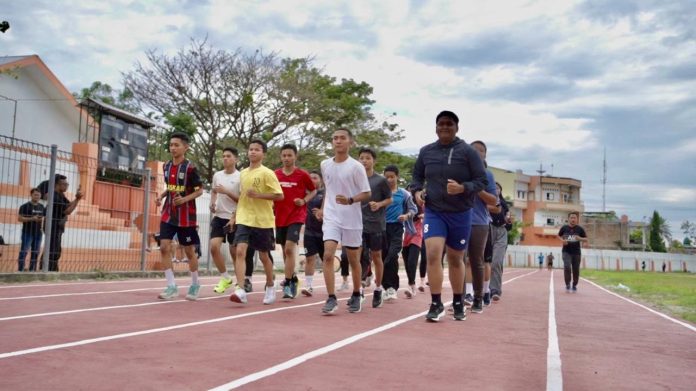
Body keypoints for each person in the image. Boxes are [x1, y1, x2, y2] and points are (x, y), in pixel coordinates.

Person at [411, 110, 488, 322]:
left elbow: (481, 181)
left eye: (449, 124)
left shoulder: (467, 152)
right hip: (435, 211)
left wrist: (463, 188)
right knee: (433, 254)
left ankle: (457, 300)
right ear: (436, 128)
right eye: (441, 124)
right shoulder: (426, 152)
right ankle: (436, 303)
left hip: (461, 213)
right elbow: (416, 176)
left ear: (457, 128)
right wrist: (417, 191)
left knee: (455, 259)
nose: (445, 127)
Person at [317, 128, 371, 315]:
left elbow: (367, 193)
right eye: (335, 138)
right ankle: (331, 298)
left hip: (352, 218)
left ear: (350, 142)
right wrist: (324, 209)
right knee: (328, 255)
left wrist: (350, 200)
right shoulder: (325, 164)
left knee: (354, 259)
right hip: (332, 217)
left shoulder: (356, 166)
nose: (338, 141)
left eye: (342, 138)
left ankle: (357, 293)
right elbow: (328, 190)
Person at [229, 139, 284, 305]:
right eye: (251, 149)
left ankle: (270, 285)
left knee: (264, 256)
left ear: (263, 154)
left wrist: (258, 195)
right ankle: (240, 289)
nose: (253, 152)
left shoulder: (267, 173)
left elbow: (279, 196)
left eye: (257, 150)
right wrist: (234, 216)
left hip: (263, 220)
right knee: (240, 251)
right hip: (244, 218)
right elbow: (242, 198)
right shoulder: (243, 173)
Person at [155, 132, 204, 300]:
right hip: (168, 214)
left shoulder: (191, 168)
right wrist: (161, 196)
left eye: (176, 145)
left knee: (189, 251)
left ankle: (195, 284)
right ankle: (171, 286)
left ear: (185, 147)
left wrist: (184, 199)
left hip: (186, 216)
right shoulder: (166, 166)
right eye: (171, 145)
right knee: (163, 247)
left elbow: (199, 191)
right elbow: (170, 186)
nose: (173, 148)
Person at [274, 144, 317, 299]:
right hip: (279, 217)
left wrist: (304, 200)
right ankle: (292, 277)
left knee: (290, 249)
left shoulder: (302, 174)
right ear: (281, 157)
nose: (286, 158)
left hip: (296, 216)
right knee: (286, 251)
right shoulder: (275, 174)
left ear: (295, 156)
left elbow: (313, 190)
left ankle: (288, 283)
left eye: (289, 155)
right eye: (284, 155)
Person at [464, 140, 499, 311]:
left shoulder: (487, 175)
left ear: (484, 155)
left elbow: (494, 200)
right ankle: (465, 295)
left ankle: (479, 296)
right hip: (458, 220)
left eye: (481, 150)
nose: (477, 152)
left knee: (476, 260)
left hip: (479, 222)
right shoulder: (459, 172)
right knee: (460, 260)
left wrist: (478, 189)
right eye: (473, 150)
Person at [358, 147, 393, 307]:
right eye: (362, 158)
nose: (364, 161)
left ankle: (378, 289)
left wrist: (378, 204)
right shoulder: (355, 179)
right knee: (358, 257)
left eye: (368, 158)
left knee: (377, 257)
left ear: (373, 161)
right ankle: (359, 290)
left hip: (376, 225)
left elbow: (389, 199)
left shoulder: (380, 180)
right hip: (358, 224)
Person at [210, 147, 241, 294]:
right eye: (223, 156)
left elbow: (242, 200)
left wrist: (227, 192)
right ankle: (225, 277)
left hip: (234, 218)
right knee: (214, 247)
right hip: (219, 217)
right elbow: (214, 190)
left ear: (236, 159)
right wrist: (212, 202)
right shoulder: (217, 175)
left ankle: (239, 282)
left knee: (234, 252)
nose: (225, 159)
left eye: (228, 156)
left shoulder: (241, 177)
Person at [383, 165, 417, 299]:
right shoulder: (382, 192)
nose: (389, 180)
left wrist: (406, 216)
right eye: (387, 177)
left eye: (392, 177)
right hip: (382, 228)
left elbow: (413, 209)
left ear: (397, 176)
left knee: (392, 256)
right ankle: (387, 287)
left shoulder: (404, 194)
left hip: (397, 228)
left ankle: (392, 287)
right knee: (384, 257)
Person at [44, 174, 83, 271]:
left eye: (67, 184)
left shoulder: (61, 195)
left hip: (57, 226)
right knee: (53, 249)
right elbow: (67, 211)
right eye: (65, 184)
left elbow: (68, 204)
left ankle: (48, 268)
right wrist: (77, 199)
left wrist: (76, 197)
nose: (66, 186)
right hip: (53, 225)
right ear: (58, 184)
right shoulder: (54, 196)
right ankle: (48, 269)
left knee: (54, 249)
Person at [301, 170, 324, 297]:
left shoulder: (325, 194)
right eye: (310, 178)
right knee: (309, 258)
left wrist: (322, 213)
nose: (312, 180)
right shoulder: (305, 194)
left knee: (326, 259)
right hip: (309, 231)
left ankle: (329, 285)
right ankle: (309, 286)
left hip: (324, 232)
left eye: (315, 178)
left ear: (321, 180)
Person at [488, 182, 510, 302]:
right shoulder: (486, 201)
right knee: (486, 261)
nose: (496, 190)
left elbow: (509, 225)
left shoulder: (504, 205)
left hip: (501, 232)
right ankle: (483, 288)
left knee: (497, 261)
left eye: (498, 189)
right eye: (494, 188)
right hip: (488, 229)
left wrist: (509, 221)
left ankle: (495, 290)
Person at [558, 211, 588, 292]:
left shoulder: (580, 229)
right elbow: (558, 236)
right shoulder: (564, 228)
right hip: (566, 251)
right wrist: (562, 241)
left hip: (576, 252)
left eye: (574, 218)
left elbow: (586, 239)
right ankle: (567, 284)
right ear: (568, 219)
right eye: (571, 218)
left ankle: (574, 284)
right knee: (567, 266)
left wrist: (580, 238)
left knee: (576, 269)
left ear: (577, 219)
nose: (573, 219)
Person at [17, 188, 45, 271]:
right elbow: (20, 218)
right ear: (31, 195)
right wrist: (32, 218)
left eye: (38, 195)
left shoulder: (41, 207)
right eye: (35, 195)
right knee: (24, 251)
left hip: (38, 233)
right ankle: (20, 270)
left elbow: (43, 218)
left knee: (36, 252)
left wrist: (41, 219)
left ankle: (32, 270)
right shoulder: (24, 206)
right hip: (27, 232)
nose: (37, 196)